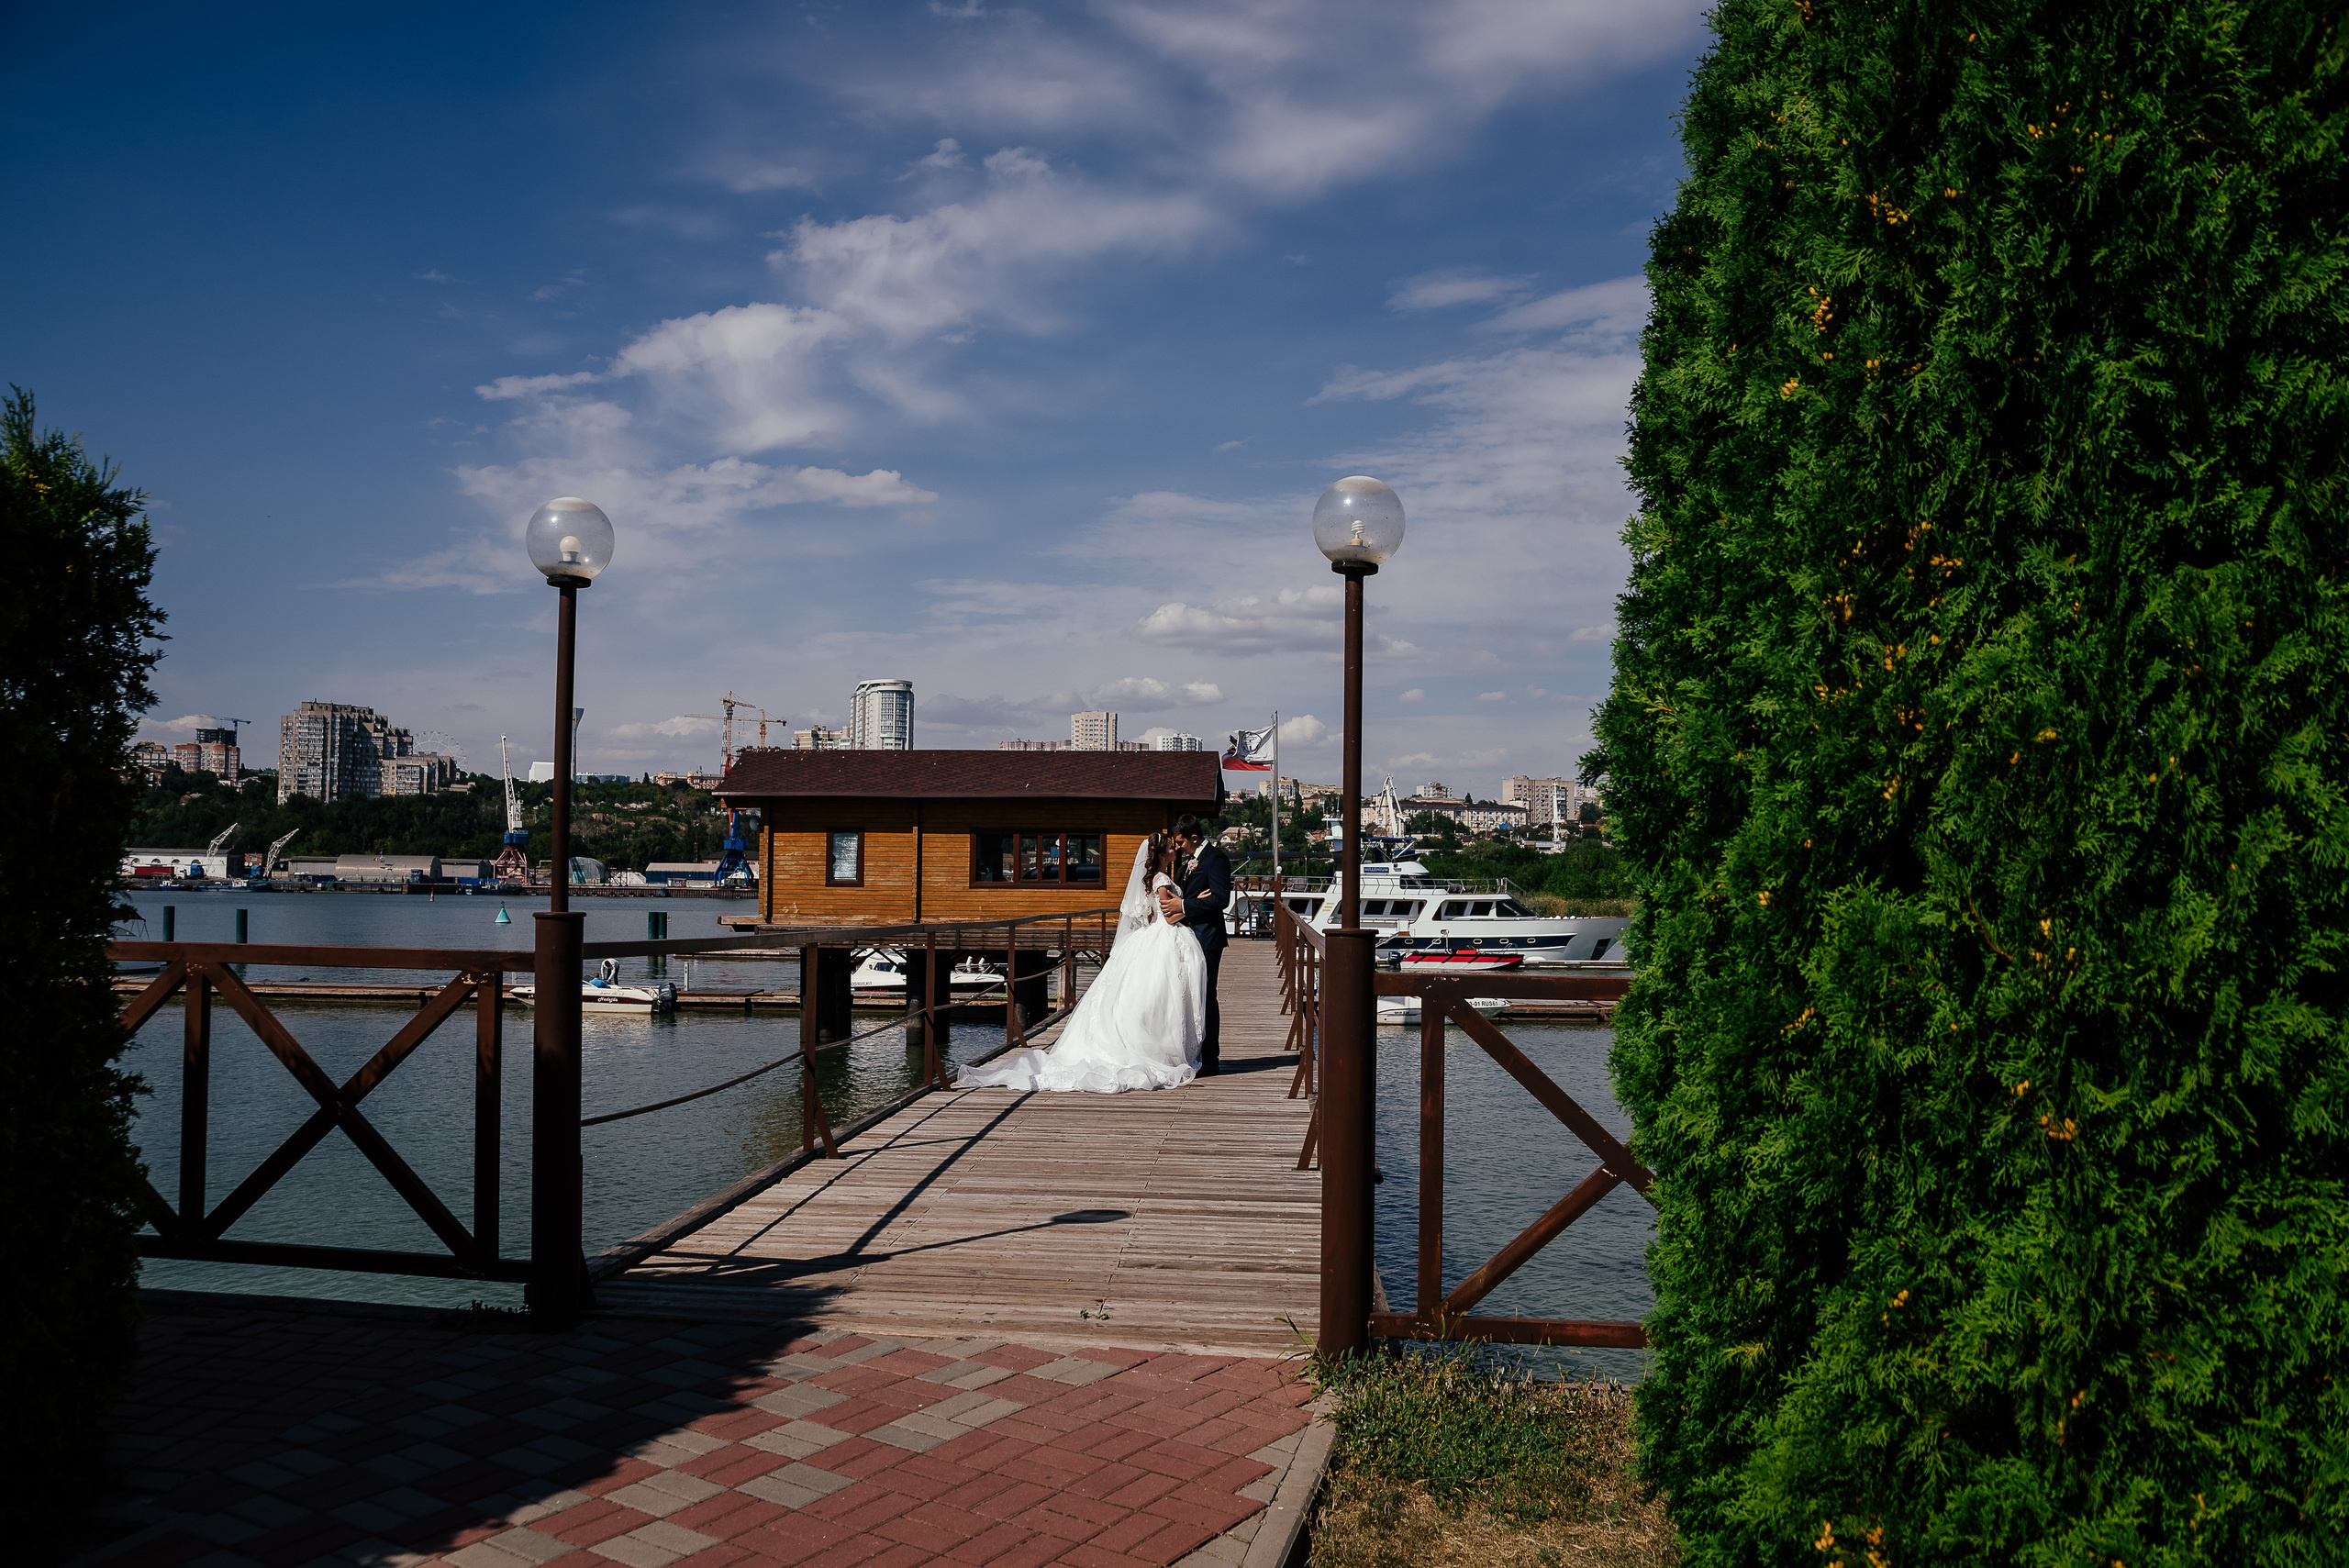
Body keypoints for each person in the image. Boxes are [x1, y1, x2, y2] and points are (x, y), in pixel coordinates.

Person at [955, 833, 1204, 1093]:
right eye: (1171, 847)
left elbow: (1149, 912)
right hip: (1161, 936)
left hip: (1148, 937)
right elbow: (1167, 913)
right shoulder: (1162, 879)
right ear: (1162, 854)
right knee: (1159, 996)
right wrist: (1191, 907)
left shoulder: (1152, 877)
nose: (1176, 849)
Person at [1159, 814, 1230, 1075]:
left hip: (1208, 939)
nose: (1177, 847)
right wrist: (1187, 903)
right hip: (1188, 938)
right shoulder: (1188, 862)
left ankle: (1211, 1059)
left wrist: (1186, 905)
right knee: (1189, 997)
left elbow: (1222, 899)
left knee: (1206, 996)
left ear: (1194, 838)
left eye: (1180, 843)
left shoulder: (1216, 859)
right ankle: (1193, 1053)